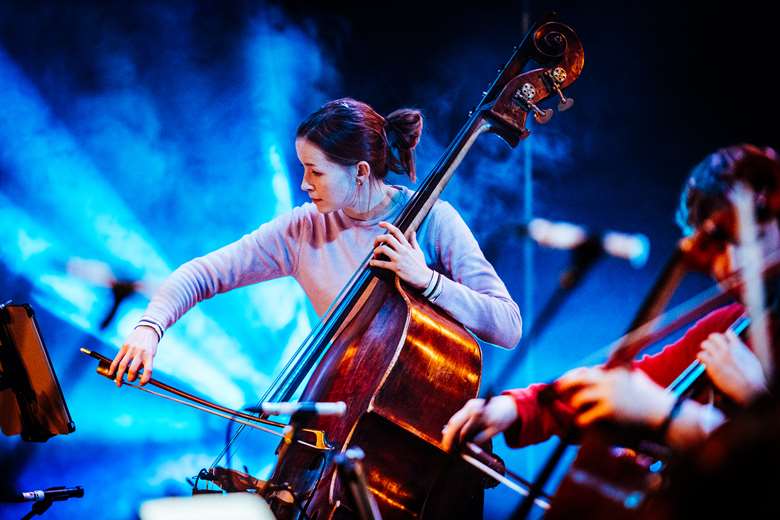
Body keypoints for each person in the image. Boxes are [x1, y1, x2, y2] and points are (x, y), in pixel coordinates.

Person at [109, 97, 522, 387]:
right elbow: (203, 274)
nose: (304, 184)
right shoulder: (304, 229)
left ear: (360, 172)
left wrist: (429, 283)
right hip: (338, 416)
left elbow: (508, 325)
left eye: (316, 172)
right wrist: (150, 327)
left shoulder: (434, 220)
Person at [442, 143, 779, 453]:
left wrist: (753, 401)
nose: (733, 265)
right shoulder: (731, 327)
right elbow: (624, 383)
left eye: (754, 237)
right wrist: (515, 407)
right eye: (716, 248)